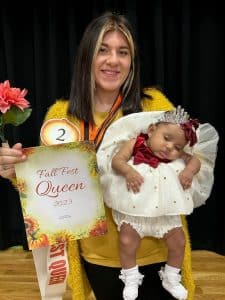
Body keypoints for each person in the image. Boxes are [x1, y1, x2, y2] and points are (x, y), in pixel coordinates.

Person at [0, 11, 205, 300]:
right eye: (103, 50)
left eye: (123, 52)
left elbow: (190, 155)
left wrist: (188, 168)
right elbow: (48, 190)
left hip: (157, 251)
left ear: (131, 62)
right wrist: (15, 173)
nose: (113, 60)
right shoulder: (62, 116)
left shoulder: (153, 106)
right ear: (87, 57)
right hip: (97, 254)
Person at [98, 107, 203, 300]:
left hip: (165, 213)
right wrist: (128, 172)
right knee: (127, 241)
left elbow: (195, 161)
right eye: (166, 138)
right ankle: (130, 277)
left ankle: (171, 277)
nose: (170, 147)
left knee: (179, 242)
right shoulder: (135, 143)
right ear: (152, 129)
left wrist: (189, 171)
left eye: (178, 147)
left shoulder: (177, 155)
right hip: (135, 208)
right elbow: (117, 160)